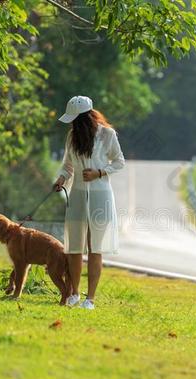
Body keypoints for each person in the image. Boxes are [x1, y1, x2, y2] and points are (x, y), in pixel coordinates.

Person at [53, 95, 125, 310]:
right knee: (74, 247)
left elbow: (119, 161)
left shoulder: (107, 135)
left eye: (75, 119)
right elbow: (68, 165)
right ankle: (74, 293)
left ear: (85, 117)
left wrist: (99, 172)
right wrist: (61, 178)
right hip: (76, 194)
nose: (73, 123)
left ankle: (90, 299)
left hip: (100, 195)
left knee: (95, 248)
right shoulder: (72, 136)